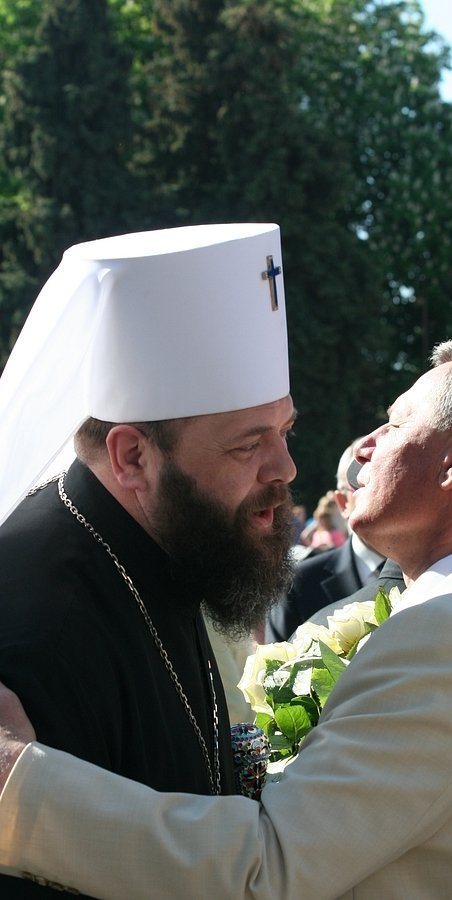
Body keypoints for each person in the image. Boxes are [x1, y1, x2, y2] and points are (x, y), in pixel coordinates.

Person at [1, 338, 452, 899]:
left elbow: (267, 872)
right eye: (248, 442)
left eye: (394, 423)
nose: (366, 445)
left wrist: (17, 787)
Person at [0, 223, 297, 895]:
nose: (286, 467)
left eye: (286, 430)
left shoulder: (177, 550)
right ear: (133, 456)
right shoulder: (31, 623)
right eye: (248, 445)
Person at [265, 439, 386, 642]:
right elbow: (274, 668)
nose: (382, 492)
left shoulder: (436, 571)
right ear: (343, 502)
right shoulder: (299, 584)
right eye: (365, 483)